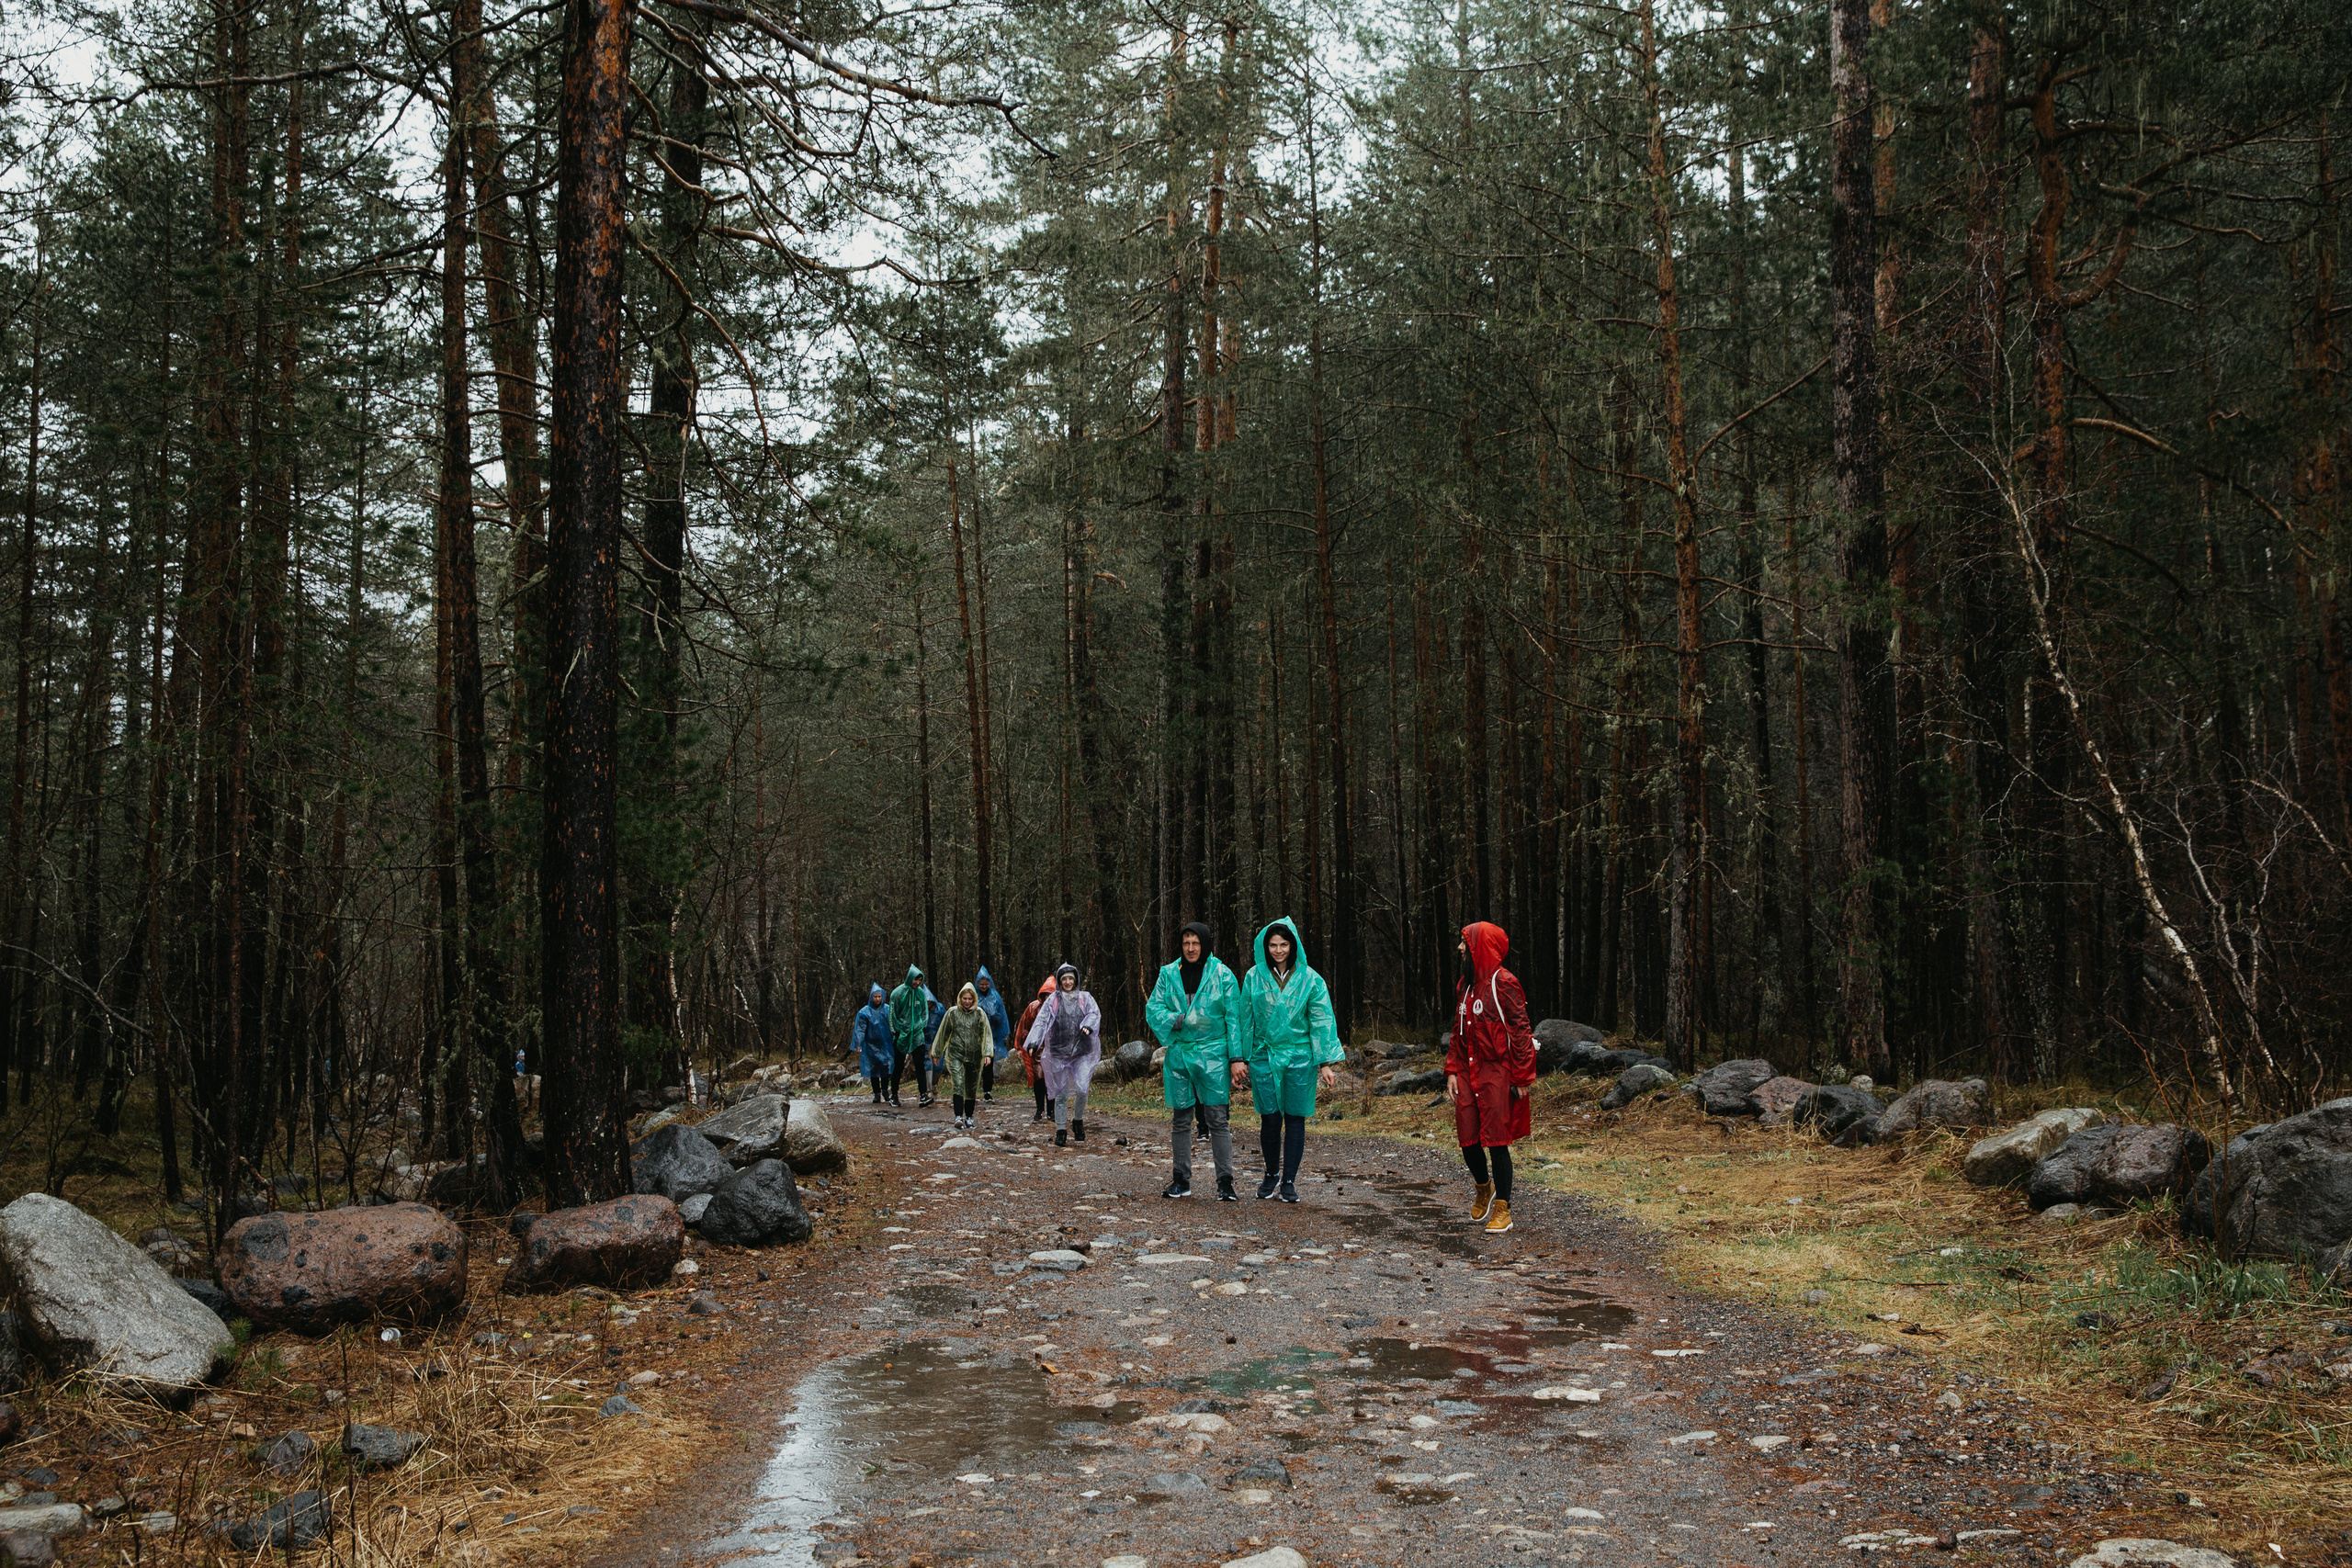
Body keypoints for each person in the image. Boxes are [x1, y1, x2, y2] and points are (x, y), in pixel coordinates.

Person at [1234, 917, 1343, 1202]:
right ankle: (1271, 1174)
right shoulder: (1254, 977)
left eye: (1284, 944)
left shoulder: (1311, 979)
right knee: (1269, 1118)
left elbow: (1320, 1021)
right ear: (1265, 946)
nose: (1278, 950)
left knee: (1295, 1118)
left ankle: (1290, 1181)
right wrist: (1240, 1058)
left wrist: (1325, 1063)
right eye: (1273, 945)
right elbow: (1245, 1019)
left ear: (1293, 946)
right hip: (1263, 1055)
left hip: (1299, 1056)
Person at [1444, 920, 1537, 1234]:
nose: (1460, 948)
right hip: (1468, 1072)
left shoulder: (1505, 982)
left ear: (1479, 947)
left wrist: (1523, 1077)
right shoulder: (1465, 985)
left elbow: (1522, 1031)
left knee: (1497, 1141)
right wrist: (1453, 1070)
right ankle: (1484, 1186)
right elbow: (1458, 1034)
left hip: (1497, 1072)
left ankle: (1504, 1209)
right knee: (1467, 1137)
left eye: (1465, 942)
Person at [1145, 921, 1243, 1201]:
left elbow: (1233, 1018)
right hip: (1180, 1054)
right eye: (1186, 942)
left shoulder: (1222, 975)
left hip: (1213, 1053)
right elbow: (1154, 1008)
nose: (1190, 948)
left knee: (1217, 1119)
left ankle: (1225, 1182)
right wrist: (1176, 1020)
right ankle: (1181, 1179)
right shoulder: (1168, 974)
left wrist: (1236, 1058)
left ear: (1205, 944)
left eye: (1196, 943)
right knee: (1181, 1119)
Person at [1024, 963, 1102, 1147]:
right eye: (1064, 979)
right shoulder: (1053, 1000)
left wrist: (1088, 1025)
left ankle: (1078, 1121)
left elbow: (1094, 1013)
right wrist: (1034, 1041)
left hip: (1081, 1052)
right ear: (1059, 981)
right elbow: (1042, 1021)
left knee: (1083, 1089)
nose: (1067, 982)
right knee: (1060, 1093)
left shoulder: (1085, 998)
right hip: (1059, 1052)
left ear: (1075, 980)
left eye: (1070, 978)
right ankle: (1060, 1129)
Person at [934, 982, 993, 1130]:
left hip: (974, 1055)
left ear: (974, 1000)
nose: (967, 1001)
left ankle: (970, 1117)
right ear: (960, 999)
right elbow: (943, 1032)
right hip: (955, 1054)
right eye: (964, 998)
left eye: (970, 999)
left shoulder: (979, 1013)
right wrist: (937, 1052)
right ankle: (958, 1116)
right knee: (959, 1083)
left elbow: (986, 1034)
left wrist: (987, 1053)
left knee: (971, 1087)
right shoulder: (953, 1013)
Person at [888, 965, 935, 1108]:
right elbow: (892, 1014)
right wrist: (896, 1030)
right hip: (902, 1034)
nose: (917, 982)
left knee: (920, 1065)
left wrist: (921, 1026)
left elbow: (924, 1012)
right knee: (898, 1065)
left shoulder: (920, 993)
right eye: (916, 979)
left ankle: (923, 1095)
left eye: (920, 980)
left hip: (917, 1035)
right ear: (910, 978)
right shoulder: (897, 993)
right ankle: (894, 1095)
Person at [1014, 976, 1055, 1122]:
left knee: (1052, 1080)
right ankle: (1039, 1109)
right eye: (1047, 994)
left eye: (1052, 994)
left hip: (1053, 1050)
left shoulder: (1060, 1009)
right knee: (1038, 1078)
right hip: (1036, 1050)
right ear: (1042, 995)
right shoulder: (1033, 1008)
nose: (1049, 998)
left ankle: (1051, 1110)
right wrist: (1020, 1047)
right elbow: (1024, 1027)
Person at [852, 982, 897, 1104]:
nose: (877, 999)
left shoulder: (888, 1009)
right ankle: (877, 1094)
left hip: (885, 1044)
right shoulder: (865, 1012)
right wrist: (858, 1044)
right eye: (875, 997)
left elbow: (894, 1024)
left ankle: (885, 1091)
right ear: (871, 997)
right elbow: (860, 1029)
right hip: (871, 1045)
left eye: (879, 996)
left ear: (882, 996)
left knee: (885, 1068)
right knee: (874, 1070)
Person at [974, 967, 1012, 1100]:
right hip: (976, 1036)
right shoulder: (973, 995)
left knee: (988, 1064)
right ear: (977, 983)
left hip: (992, 1035)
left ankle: (987, 1091)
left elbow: (1003, 1015)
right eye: (982, 984)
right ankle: (971, 1089)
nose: (984, 986)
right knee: (974, 1063)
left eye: (986, 984)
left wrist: (997, 1019)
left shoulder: (995, 995)